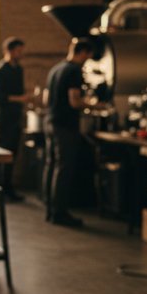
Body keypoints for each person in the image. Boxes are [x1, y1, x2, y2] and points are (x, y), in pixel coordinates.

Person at [42, 37, 100, 228]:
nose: (87, 61)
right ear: (83, 53)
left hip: (50, 121)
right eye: (88, 57)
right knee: (64, 168)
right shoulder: (74, 71)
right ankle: (60, 213)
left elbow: (45, 98)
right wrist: (93, 105)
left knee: (51, 165)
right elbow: (74, 101)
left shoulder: (56, 68)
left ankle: (50, 208)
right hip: (64, 125)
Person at [0, 37, 31, 201]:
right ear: (8, 51)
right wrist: (19, 99)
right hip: (4, 118)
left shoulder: (19, 70)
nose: (20, 53)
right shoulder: (1, 70)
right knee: (2, 153)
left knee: (12, 154)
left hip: (16, 117)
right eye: (18, 50)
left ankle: (8, 189)